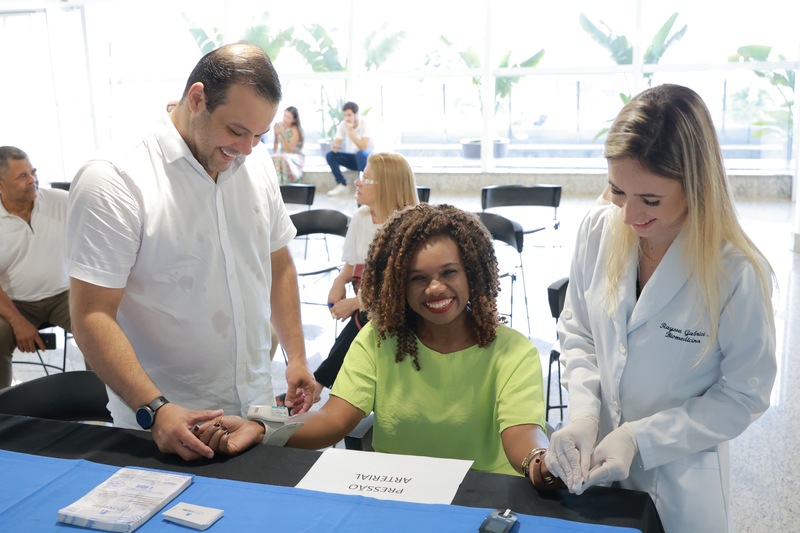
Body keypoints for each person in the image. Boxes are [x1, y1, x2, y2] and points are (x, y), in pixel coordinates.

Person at [66, 42, 317, 461]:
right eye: (236, 131)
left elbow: (278, 264)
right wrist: (155, 409)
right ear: (197, 98)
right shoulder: (115, 178)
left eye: (259, 135)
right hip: (162, 422)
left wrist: (296, 358)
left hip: (255, 413)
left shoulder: (254, 163)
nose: (248, 148)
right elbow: (92, 314)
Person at [197, 204, 565, 488]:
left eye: (448, 272)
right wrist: (261, 429)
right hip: (397, 491)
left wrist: (540, 461)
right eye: (417, 278)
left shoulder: (512, 350)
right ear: (396, 286)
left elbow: (521, 433)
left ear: (474, 272)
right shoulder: (378, 339)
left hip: (485, 492)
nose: (434, 288)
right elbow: (331, 420)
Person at [544, 84, 776, 532]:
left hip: (680, 484)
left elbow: (745, 394)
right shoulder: (598, 229)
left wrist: (639, 438)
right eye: (617, 191)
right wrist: (585, 416)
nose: (629, 217)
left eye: (650, 200)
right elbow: (579, 333)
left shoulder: (736, 272)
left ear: (696, 186)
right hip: (594, 480)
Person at [313, 152, 418, 396]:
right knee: (363, 322)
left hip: (401, 309)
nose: (358, 182)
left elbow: (404, 289)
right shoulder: (361, 217)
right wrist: (339, 282)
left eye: (366, 179)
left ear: (388, 187)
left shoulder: (409, 226)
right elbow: (351, 265)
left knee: (363, 322)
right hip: (369, 305)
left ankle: (318, 385)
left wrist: (356, 303)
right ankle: (323, 387)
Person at [0, 146, 72, 389]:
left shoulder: (61, 201)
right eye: (22, 176)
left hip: (65, 295)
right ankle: (5, 414)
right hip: (15, 302)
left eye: (33, 172)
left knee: (100, 328)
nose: (33, 180)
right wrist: (18, 322)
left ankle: (106, 401)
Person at [325, 101, 373, 196]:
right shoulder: (344, 124)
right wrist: (335, 146)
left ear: (356, 114)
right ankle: (342, 184)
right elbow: (337, 141)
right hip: (353, 159)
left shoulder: (365, 123)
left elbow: (363, 146)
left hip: (367, 160)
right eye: (345, 115)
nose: (347, 118)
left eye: (349, 115)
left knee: (360, 154)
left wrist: (351, 132)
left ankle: (363, 187)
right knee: (330, 155)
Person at [271, 106, 305, 184]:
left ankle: (283, 185)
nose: (285, 119)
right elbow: (276, 143)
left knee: (280, 158)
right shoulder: (279, 126)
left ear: (294, 119)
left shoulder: (296, 130)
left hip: (295, 157)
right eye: (284, 116)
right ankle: (275, 185)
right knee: (273, 158)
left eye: (288, 117)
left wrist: (282, 134)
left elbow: (289, 150)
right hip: (284, 155)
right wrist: (274, 154)